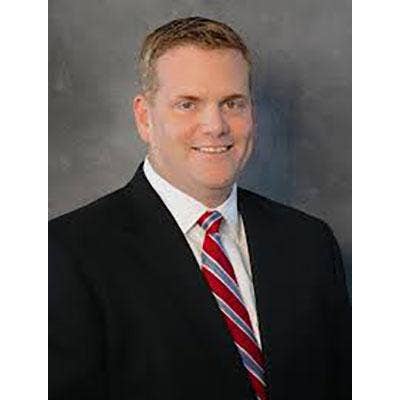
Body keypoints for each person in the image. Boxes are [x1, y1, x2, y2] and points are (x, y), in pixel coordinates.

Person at [49, 16, 351, 400]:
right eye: (188, 104)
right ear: (144, 118)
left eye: (232, 103)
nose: (215, 125)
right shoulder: (66, 254)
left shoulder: (309, 242)